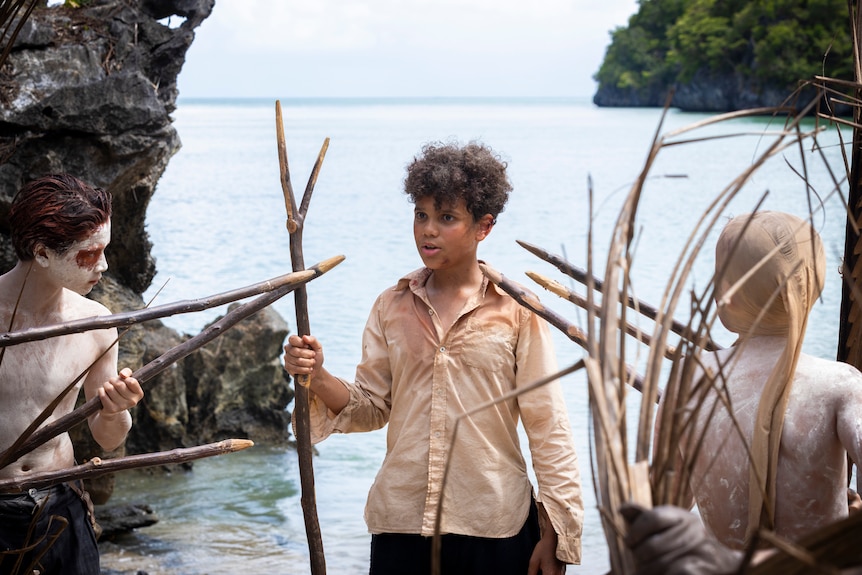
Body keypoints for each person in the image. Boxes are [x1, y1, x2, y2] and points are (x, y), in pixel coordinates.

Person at [283, 141, 583, 575]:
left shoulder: (518, 310)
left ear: (484, 227)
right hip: (401, 524)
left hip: (495, 524)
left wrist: (557, 532)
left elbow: (547, 424)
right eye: (421, 215)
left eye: (447, 218)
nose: (428, 230)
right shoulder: (391, 306)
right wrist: (317, 374)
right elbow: (372, 408)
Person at [655, 210, 862, 550]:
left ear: (728, 295)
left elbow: (667, 505)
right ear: (811, 286)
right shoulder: (839, 383)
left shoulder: (688, 378)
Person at [0, 173, 144, 575]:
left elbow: (106, 439)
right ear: (43, 252)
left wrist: (116, 409)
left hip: (60, 506)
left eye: (105, 250)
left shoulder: (96, 323)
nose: (104, 265)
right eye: (89, 254)